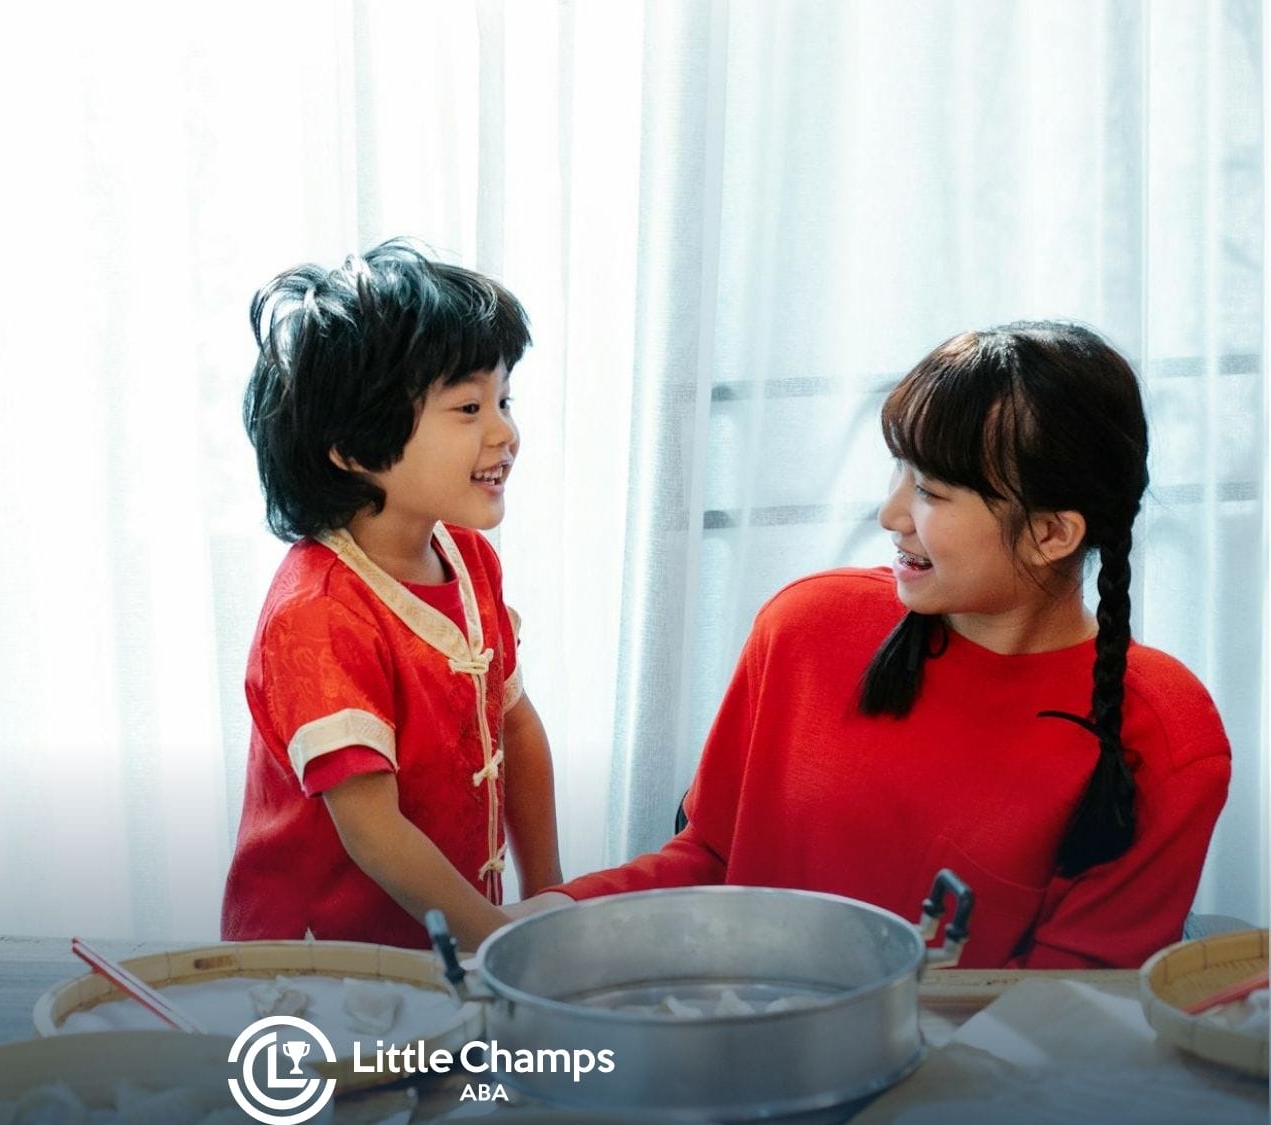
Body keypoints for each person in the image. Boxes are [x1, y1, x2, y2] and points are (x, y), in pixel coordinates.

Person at [517, 322, 1229, 970]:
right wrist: (548, 918)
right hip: (731, 1050)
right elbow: (711, 860)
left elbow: (1064, 1014)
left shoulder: (1165, 735)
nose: (891, 515)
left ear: (1052, 534)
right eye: (899, 471)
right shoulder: (804, 627)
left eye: (932, 492)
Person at [222, 240, 561, 951]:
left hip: (450, 946)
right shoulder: (317, 614)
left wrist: (551, 898)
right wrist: (500, 943)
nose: (505, 432)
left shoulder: (469, 560)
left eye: (504, 399)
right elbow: (373, 830)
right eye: (468, 406)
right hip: (323, 971)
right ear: (352, 444)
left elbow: (517, 729)